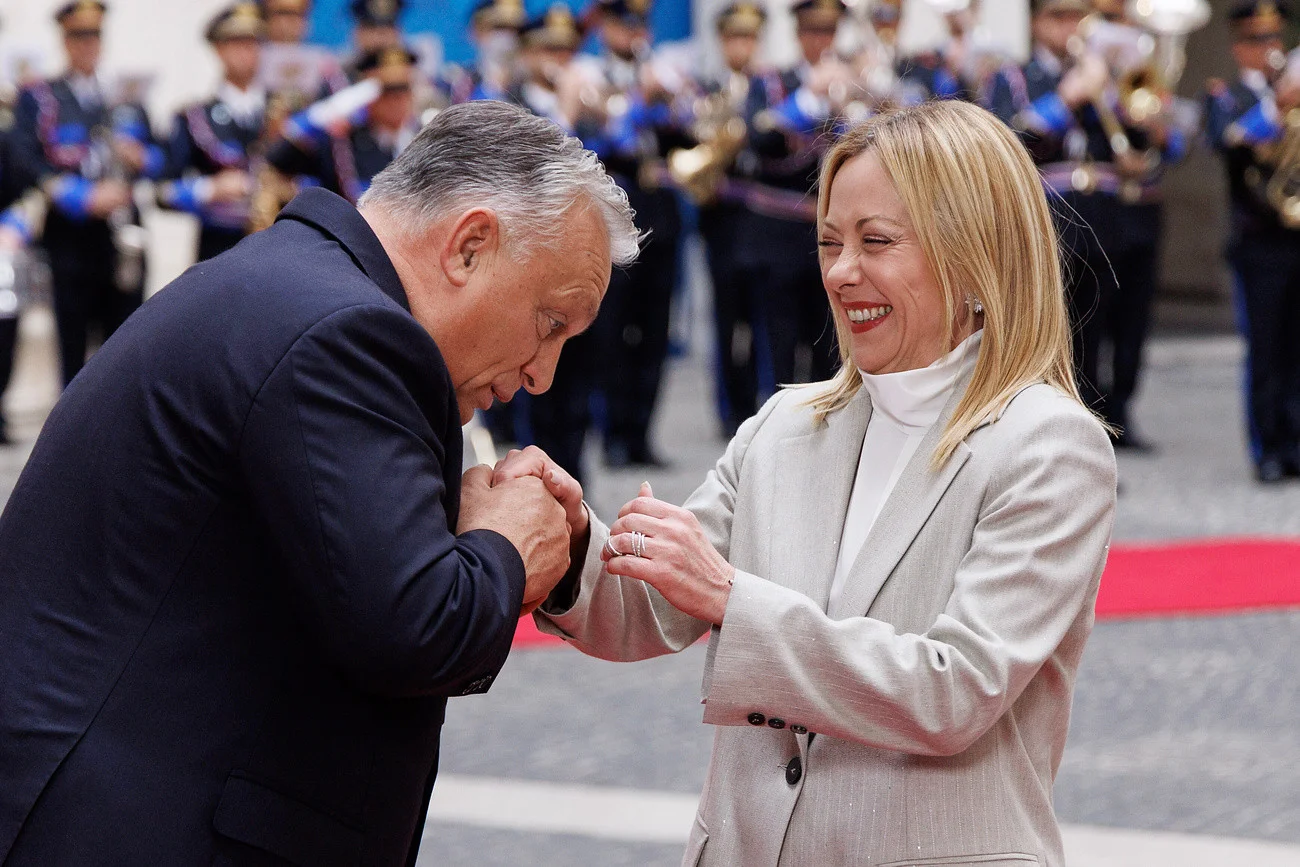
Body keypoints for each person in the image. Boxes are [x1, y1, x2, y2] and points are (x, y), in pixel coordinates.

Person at [0, 101, 639, 865]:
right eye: (550, 322)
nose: (543, 374)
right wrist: (505, 542)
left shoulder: (301, 287)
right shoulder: (347, 331)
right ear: (469, 246)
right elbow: (416, 629)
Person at [506, 100, 1117, 865]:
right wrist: (570, 540)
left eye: (875, 241)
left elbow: (954, 691)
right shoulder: (785, 425)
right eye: (829, 242)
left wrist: (730, 596)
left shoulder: (1048, 444)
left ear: (975, 254)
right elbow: (644, 610)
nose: (839, 271)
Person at [9, 1, 165, 387]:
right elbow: (24, 159)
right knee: (73, 345)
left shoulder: (123, 95)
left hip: (122, 235)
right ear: (64, 40)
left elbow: (161, 157)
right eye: (78, 36)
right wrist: (81, 196)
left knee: (125, 342)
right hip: (71, 237)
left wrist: (140, 157)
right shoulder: (41, 96)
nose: (87, 44)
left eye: (94, 35)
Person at [1205, 0, 1300, 482]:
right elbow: (1227, 140)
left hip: (1296, 238)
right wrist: (1277, 106)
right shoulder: (1227, 96)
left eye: (1275, 38)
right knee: (1264, 348)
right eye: (1259, 40)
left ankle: (1295, 443)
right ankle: (1267, 448)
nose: (1270, 48)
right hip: (1258, 238)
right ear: (1239, 47)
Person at [157, 3, 266, 263]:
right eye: (236, 43)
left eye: (253, 43)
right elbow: (163, 192)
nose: (246, 52)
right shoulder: (195, 115)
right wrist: (209, 189)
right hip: (219, 246)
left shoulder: (282, 113)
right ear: (218, 49)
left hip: (277, 243)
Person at [266, 45, 422, 205]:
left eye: (404, 90)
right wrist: (329, 110)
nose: (398, 100)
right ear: (367, 97)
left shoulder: (423, 137)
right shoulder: (343, 143)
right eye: (386, 93)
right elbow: (278, 158)